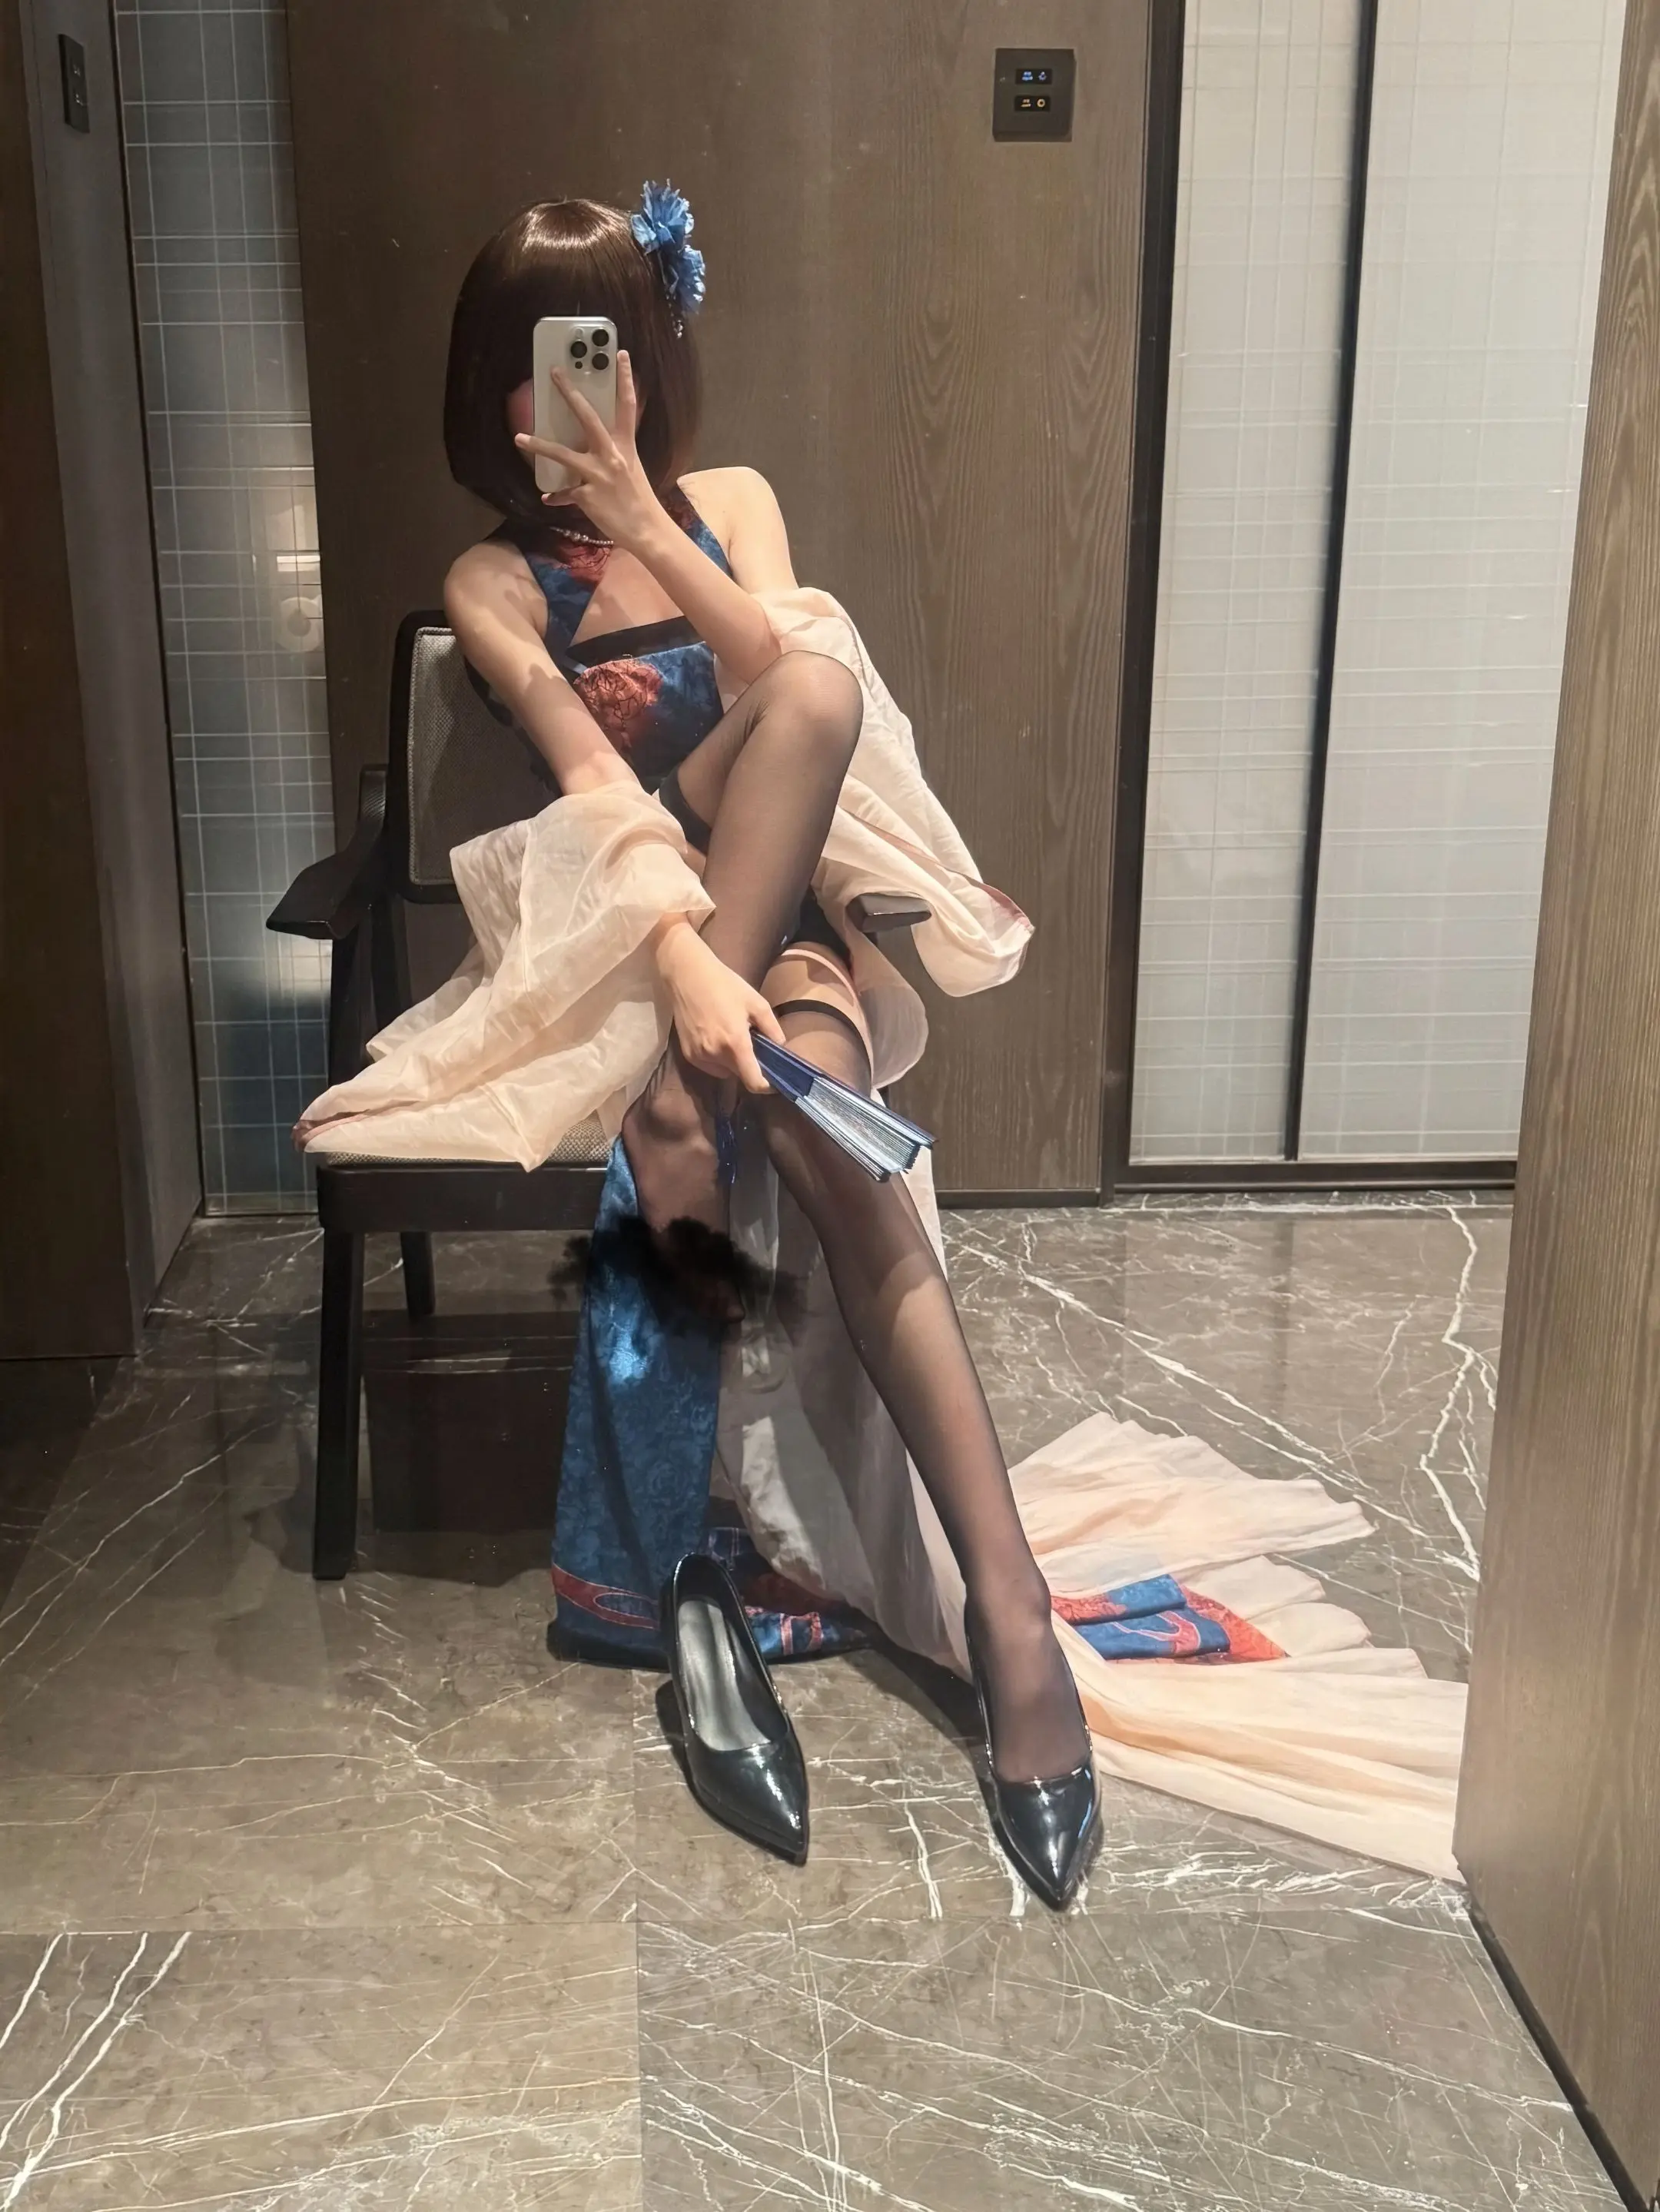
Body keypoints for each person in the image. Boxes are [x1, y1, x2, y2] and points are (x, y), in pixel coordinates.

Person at [298, 184, 1469, 1895]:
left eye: (608, 351)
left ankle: (1010, 1615)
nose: (569, 395)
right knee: (717, 1093)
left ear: (654, 357)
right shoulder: (490, 579)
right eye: (533, 366)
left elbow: (787, 685)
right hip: (622, 930)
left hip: (783, 909)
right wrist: (691, 971)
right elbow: (595, 789)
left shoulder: (732, 504)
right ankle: (694, 1586)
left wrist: (645, 516)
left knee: (818, 1081)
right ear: (492, 386)